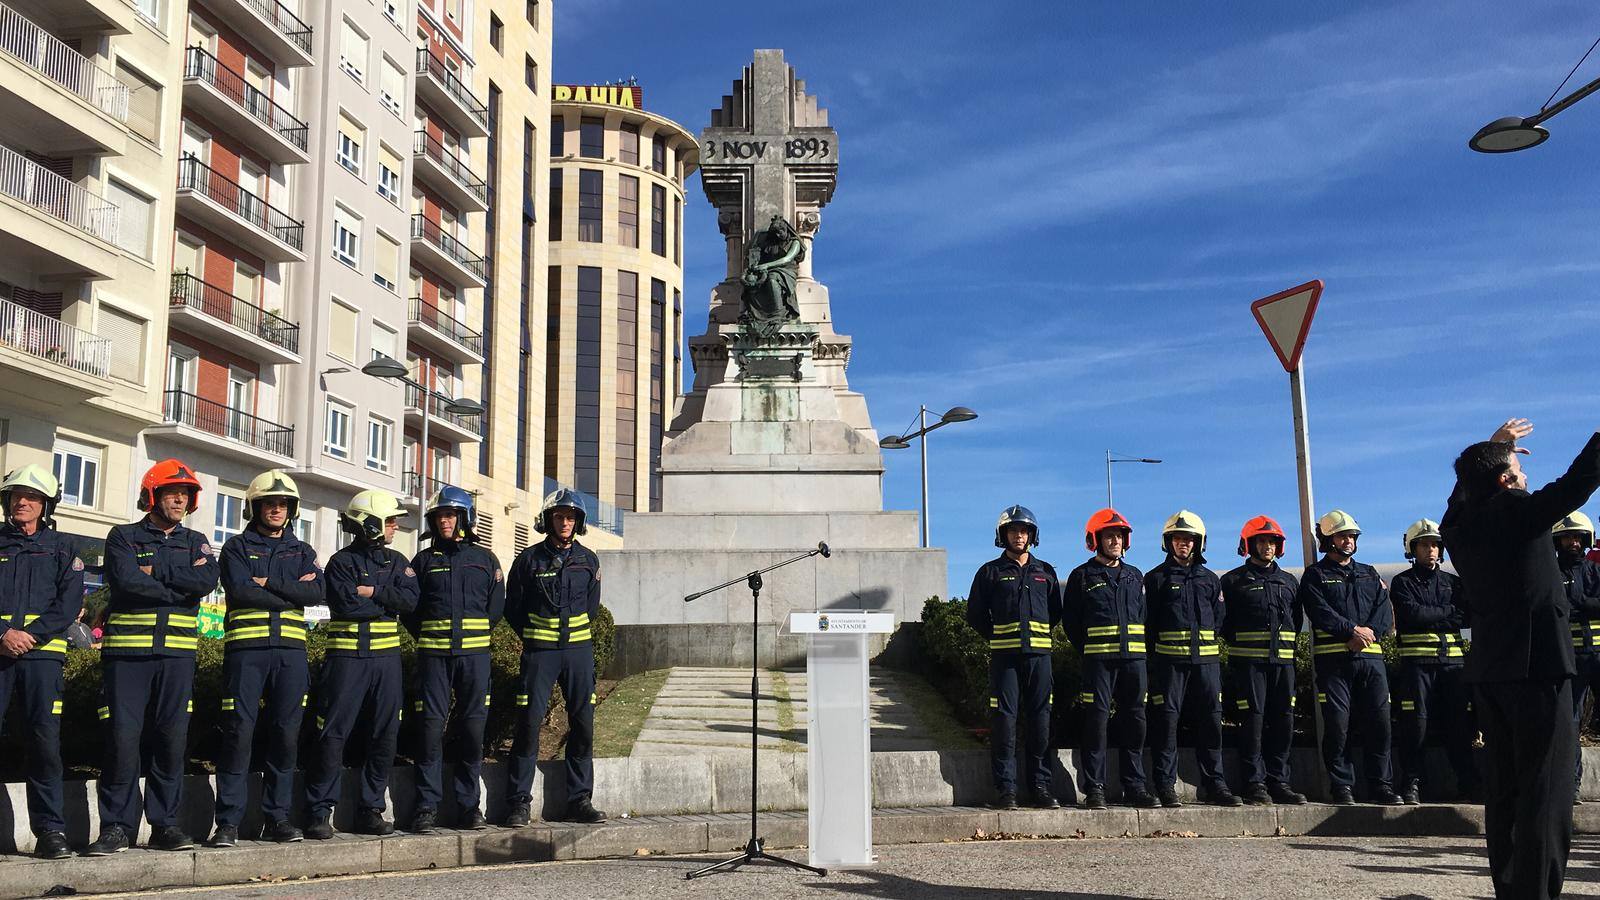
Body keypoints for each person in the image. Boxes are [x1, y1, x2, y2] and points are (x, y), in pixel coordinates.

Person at [1441, 418, 1600, 900]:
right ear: (1505, 480)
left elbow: (1460, 495)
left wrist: (1493, 449)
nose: (1525, 475)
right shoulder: (1516, 512)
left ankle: (1511, 890)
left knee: (1505, 790)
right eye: (1516, 469)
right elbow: (1576, 484)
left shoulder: (1457, 527)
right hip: (1539, 669)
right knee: (1546, 793)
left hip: (1492, 670)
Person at [85, 459, 219, 855]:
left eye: (185, 494)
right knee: (123, 741)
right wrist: (179, 584)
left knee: (170, 741)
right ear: (152, 495)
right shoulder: (122, 536)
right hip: (127, 658)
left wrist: (154, 572)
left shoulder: (197, 542)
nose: (179, 499)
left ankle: (165, 825)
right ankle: (116, 828)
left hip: (176, 657)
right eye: (171, 492)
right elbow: (126, 583)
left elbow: (206, 581)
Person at [209, 471, 322, 847]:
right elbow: (242, 592)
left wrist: (268, 582)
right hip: (247, 654)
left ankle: (278, 819)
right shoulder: (236, 548)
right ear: (255, 507)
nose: (277, 509)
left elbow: (317, 592)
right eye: (269, 503)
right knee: (238, 735)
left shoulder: (303, 550)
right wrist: (291, 590)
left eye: (283, 504)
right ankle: (227, 822)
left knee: (285, 736)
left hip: (290, 656)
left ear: (292, 509)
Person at [305, 489, 418, 840]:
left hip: (386, 664)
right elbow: (346, 605)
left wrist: (372, 592)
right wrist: (385, 601)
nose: (395, 526)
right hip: (346, 662)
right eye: (389, 521)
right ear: (369, 525)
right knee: (333, 735)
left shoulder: (399, 561)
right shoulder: (340, 563)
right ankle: (319, 812)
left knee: (384, 735)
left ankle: (371, 810)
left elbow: (410, 601)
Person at [503, 489, 608, 826]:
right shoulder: (528, 560)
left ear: (579, 522)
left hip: (577, 654)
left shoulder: (589, 560)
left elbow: (591, 608)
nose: (566, 523)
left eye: (571, 517)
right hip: (540, 655)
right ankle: (518, 802)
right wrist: (536, 638)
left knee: (583, 725)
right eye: (560, 517)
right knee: (529, 724)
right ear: (548, 520)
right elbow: (513, 609)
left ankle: (580, 800)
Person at [405, 486, 504, 834]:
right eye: (439, 516)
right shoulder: (422, 562)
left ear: (464, 518)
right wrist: (431, 637)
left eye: (450, 515)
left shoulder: (486, 559)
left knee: (472, 732)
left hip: (475, 658)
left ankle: (468, 808)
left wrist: (472, 639)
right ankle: (426, 807)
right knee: (430, 730)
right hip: (433, 657)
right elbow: (410, 611)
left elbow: (495, 609)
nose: (445, 521)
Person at [0, 465, 83, 859]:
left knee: (44, 744)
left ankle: (51, 832)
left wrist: (26, 636)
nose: (22, 501)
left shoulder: (64, 548)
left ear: (45, 505)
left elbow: (68, 604)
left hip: (42, 660)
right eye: (16, 495)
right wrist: (2, 634)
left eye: (31, 497)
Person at [1297, 509, 1401, 806]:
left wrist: (1369, 633)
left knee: (1380, 724)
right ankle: (1341, 786)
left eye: (1352, 536)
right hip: (1335, 663)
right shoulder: (1315, 575)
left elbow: (1384, 609)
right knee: (1337, 725)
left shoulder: (1368, 573)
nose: (1348, 542)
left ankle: (1381, 785)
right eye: (1342, 536)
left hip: (1371, 661)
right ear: (1328, 540)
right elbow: (1319, 612)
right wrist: (1350, 631)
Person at [964, 505, 1061, 810]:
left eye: (1024, 531)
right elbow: (976, 615)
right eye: (1013, 531)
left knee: (1040, 721)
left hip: (1039, 659)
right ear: (1002, 535)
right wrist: (998, 637)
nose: (1019, 536)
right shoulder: (989, 572)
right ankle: (1007, 789)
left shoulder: (1046, 571)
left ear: (1032, 536)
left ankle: (1041, 786)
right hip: (1004, 660)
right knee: (1005, 722)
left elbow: (1055, 613)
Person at [1145, 510, 1238, 808]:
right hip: (1169, 667)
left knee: (1211, 723)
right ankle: (1165, 786)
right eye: (1177, 539)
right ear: (1168, 543)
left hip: (1207, 666)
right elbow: (1148, 624)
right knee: (1166, 724)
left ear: (1199, 543)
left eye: (1189, 539)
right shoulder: (1156, 579)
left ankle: (1215, 784)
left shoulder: (1211, 579)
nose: (1183, 544)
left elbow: (1220, 620)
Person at [1064, 508, 1154, 809]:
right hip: (1098, 663)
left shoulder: (1135, 576)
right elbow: (1072, 623)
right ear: (1096, 540)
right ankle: (1095, 789)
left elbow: (1144, 617)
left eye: (1119, 536)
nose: (1115, 541)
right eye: (1109, 536)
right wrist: (1090, 649)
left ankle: (1136, 786)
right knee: (1096, 722)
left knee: (1135, 722)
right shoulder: (1082, 576)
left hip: (1134, 662)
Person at [1220, 516, 1306, 806]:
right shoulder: (1232, 582)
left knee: (1283, 722)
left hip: (1283, 665)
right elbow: (1224, 622)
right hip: (1249, 667)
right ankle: (1253, 783)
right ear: (1249, 545)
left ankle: (1279, 781)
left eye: (1272, 542)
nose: (1267, 546)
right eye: (1261, 541)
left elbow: (1295, 619)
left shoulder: (1289, 581)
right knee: (1252, 723)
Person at [1391, 518, 1476, 805]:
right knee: (1415, 726)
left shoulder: (1454, 582)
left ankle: (1469, 783)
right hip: (1417, 668)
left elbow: (1466, 616)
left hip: (1453, 668)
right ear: (1412, 548)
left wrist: (1437, 613)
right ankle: (1412, 784)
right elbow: (1412, 615)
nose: (1431, 549)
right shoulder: (1402, 583)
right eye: (1425, 544)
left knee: (1459, 726)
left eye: (1436, 544)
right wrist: (1447, 612)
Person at [1552, 512, 1600, 802]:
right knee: (1570, 724)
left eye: (1578, 537)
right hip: (1570, 661)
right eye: (1569, 537)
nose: (1574, 542)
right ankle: (1571, 787)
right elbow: (1556, 608)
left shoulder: (1595, 571)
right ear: (1558, 541)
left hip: (1598, 657)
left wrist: (1579, 602)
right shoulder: (1553, 574)